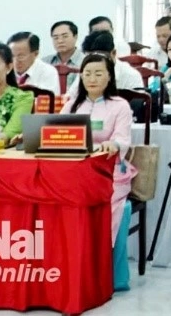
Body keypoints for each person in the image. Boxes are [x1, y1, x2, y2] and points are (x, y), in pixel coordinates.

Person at [62, 53, 137, 238]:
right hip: (74, 169)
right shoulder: (72, 106)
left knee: (104, 204)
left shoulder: (120, 106)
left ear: (110, 76)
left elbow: (122, 138)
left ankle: (100, 252)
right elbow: (55, 132)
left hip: (108, 170)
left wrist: (114, 144)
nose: (92, 79)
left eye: (98, 73)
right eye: (87, 74)